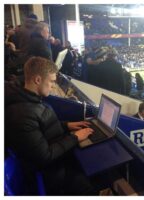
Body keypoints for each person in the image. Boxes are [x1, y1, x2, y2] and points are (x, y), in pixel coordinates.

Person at [5, 57, 101, 195]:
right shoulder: (21, 115)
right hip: (50, 174)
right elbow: (44, 157)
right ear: (37, 80)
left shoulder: (27, 97)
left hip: (56, 160)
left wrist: (67, 126)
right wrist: (74, 138)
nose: (53, 86)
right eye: (51, 81)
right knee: (92, 181)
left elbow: (41, 127)